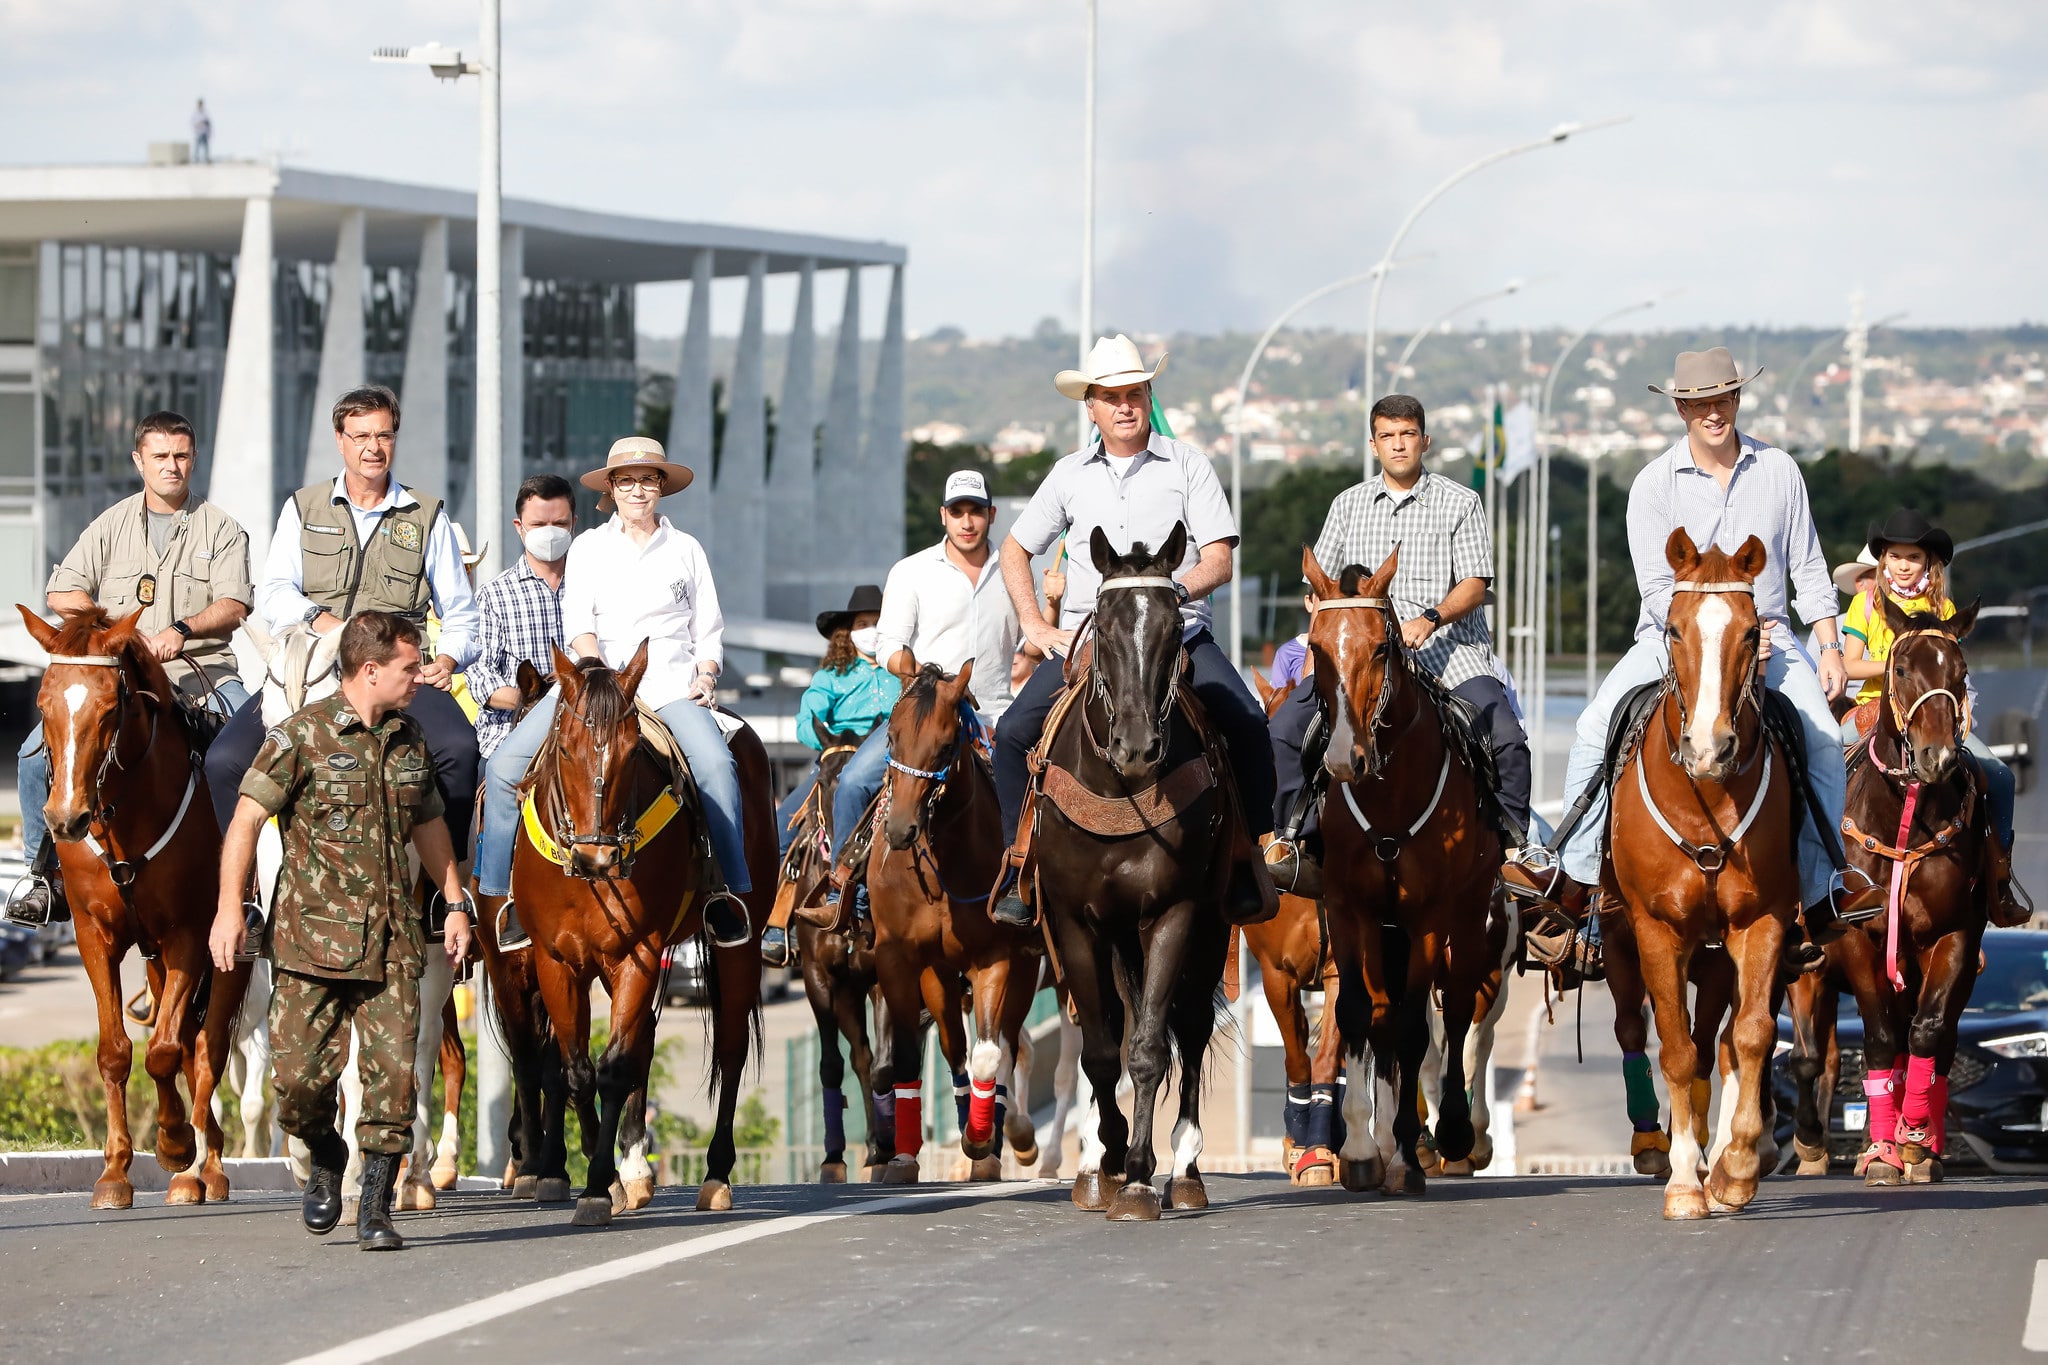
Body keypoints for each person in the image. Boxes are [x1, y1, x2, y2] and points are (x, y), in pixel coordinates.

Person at [1502, 346, 1883, 965]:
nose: (1714, 411)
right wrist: (1710, 645)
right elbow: (1657, 591)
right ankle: (1572, 881)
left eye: (1724, 398)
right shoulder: (1654, 484)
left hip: (1772, 639)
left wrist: (1831, 646)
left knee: (1820, 743)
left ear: (1737, 399)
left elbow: (1810, 566)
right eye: (1701, 402)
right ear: (1681, 407)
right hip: (1672, 641)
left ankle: (1821, 892)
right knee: (1595, 725)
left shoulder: (1780, 470)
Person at [989, 334, 1276, 928]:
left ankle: (1249, 858)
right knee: (1015, 732)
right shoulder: (1068, 475)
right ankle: (1021, 865)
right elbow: (1014, 551)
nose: (1125, 406)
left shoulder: (1189, 464)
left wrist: (1175, 591)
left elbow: (1219, 558)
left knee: (1248, 721)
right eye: (1110, 396)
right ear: (1090, 406)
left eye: (1135, 393)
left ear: (1148, 397)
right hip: (1092, 643)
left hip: (1178, 635)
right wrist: (1038, 626)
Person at [208, 611, 473, 1251]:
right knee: (296, 1085)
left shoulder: (411, 741)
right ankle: (326, 1157)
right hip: (309, 945)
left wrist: (454, 900)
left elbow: (430, 823)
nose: (420, 678)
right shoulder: (301, 735)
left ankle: (377, 1206)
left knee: (393, 1085)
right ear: (371, 669)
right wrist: (226, 907)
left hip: (393, 946)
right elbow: (245, 821)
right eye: (410, 667)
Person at [472, 437, 750, 948]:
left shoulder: (687, 549)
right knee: (504, 766)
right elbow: (579, 625)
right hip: (596, 684)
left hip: (668, 685)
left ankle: (727, 892)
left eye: (647, 479)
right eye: (627, 480)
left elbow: (708, 631)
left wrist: (706, 677)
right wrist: (596, 676)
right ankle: (499, 896)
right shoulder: (589, 547)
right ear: (612, 490)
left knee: (716, 765)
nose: (638, 490)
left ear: (661, 487)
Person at [205, 386, 482, 880]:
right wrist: (328, 625)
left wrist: (448, 661)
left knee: (460, 750)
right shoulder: (302, 507)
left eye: (383, 435)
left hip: (398, 674)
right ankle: (244, 891)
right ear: (340, 439)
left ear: (395, 439)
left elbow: (461, 613)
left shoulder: (426, 514)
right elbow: (273, 594)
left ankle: (445, 890)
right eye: (360, 436)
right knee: (224, 759)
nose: (372, 448)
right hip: (312, 668)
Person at [1264, 394, 1533, 896]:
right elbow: (1319, 586)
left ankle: (1515, 852)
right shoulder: (1347, 505)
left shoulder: (1461, 501)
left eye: (1407, 434)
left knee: (1507, 738)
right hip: (1364, 660)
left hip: (1449, 652)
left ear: (1425, 440)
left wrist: (1429, 618)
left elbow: (1475, 583)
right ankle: (1294, 842)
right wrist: (1322, 608)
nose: (1399, 444)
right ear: (1373, 444)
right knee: (1282, 727)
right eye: (1388, 436)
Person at [7, 410, 253, 929]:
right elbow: (61, 590)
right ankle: (40, 874)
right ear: (139, 460)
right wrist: (114, 631)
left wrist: (180, 631)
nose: (172, 466)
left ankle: (246, 889)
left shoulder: (223, 529)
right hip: (120, 679)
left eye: (181, 455)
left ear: (194, 458)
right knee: (33, 753)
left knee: (243, 751)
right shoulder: (110, 524)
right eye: (160, 456)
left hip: (200, 671)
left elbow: (235, 604)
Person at [822, 469, 1024, 919]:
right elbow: (888, 642)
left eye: (976, 511)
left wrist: (1050, 603)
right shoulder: (911, 571)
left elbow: (1031, 642)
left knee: (1048, 792)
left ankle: (1039, 893)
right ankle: (844, 889)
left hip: (994, 715)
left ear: (991, 514)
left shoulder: (1015, 571)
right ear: (943, 517)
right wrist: (910, 669)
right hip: (927, 715)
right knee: (854, 781)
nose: (967, 521)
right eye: (958, 512)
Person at [1843, 508, 2027, 925]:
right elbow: (1851, 666)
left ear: (1929, 563)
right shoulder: (1864, 605)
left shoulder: (1943, 606)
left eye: (1913, 558)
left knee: (1999, 776)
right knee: (1820, 768)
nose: (1903, 566)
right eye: (1895, 557)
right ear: (1883, 560)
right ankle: (1813, 889)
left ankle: (1999, 879)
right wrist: (1899, 663)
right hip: (1873, 709)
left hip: (1931, 716)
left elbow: (1951, 670)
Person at [760, 585, 898, 966]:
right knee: (782, 825)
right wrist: (826, 740)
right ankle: (777, 923)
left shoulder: (900, 669)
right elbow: (806, 719)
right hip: (837, 759)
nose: (870, 629)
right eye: (862, 623)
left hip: (893, 762)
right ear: (847, 632)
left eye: (877, 623)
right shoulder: (831, 676)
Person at [468, 475, 577, 762]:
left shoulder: (593, 588)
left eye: (560, 524)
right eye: (539, 525)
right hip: (512, 731)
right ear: (520, 527)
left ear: (573, 524)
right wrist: (540, 703)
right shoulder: (493, 596)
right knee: (495, 786)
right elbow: (481, 678)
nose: (550, 533)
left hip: (586, 732)